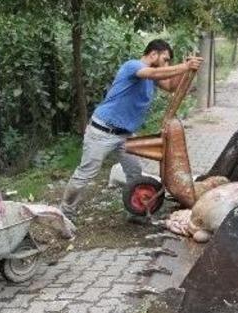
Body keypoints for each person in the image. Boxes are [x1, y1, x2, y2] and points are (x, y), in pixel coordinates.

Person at [60, 39, 202, 218]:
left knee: (135, 173)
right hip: (102, 131)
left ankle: (136, 213)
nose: (167, 64)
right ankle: (65, 213)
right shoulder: (133, 66)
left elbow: (172, 87)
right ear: (153, 54)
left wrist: (190, 70)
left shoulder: (153, 79)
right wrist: (184, 66)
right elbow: (151, 72)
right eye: (165, 59)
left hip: (125, 135)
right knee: (86, 174)